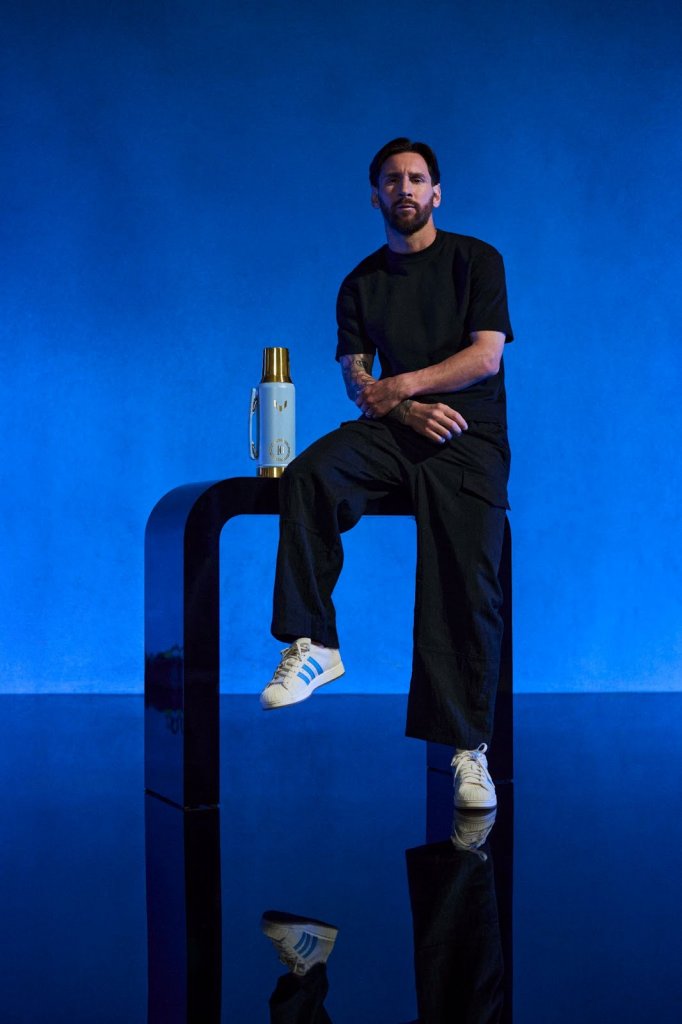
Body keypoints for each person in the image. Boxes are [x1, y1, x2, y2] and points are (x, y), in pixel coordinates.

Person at [259, 138, 514, 811]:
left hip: (468, 436)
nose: (406, 188)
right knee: (310, 475)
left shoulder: (476, 261)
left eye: (417, 178)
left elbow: (485, 358)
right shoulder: (360, 283)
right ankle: (315, 643)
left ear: (437, 193)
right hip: (397, 433)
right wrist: (403, 409)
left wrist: (403, 386)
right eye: (392, 180)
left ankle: (468, 751)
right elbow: (357, 381)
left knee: (464, 584)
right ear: (374, 196)